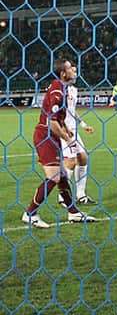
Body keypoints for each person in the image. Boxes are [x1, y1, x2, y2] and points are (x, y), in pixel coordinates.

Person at [22, 58, 96, 229]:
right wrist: (68, 139)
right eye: (70, 68)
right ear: (63, 74)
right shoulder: (57, 92)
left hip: (51, 137)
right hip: (45, 137)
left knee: (62, 175)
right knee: (54, 176)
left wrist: (65, 129)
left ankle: (74, 212)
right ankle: (30, 213)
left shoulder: (61, 88)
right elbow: (51, 123)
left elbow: (58, 120)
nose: (74, 69)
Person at [58, 69, 97, 206]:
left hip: (73, 129)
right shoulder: (58, 89)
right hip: (63, 129)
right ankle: (63, 196)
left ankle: (81, 195)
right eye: (72, 71)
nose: (75, 73)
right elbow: (56, 112)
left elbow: (72, 110)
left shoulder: (74, 90)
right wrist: (63, 129)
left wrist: (83, 124)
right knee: (71, 160)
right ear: (64, 73)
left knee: (82, 158)